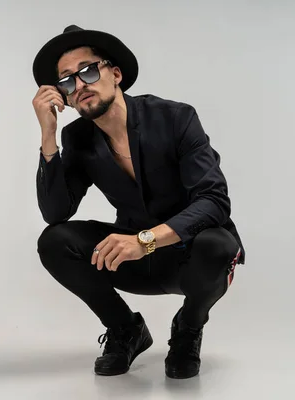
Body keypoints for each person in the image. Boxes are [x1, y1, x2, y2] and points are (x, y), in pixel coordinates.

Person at [31, 25, 246, 379]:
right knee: (55, 241)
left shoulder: (175, 118)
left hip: (189, 256)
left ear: (115, 74)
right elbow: (56, 212)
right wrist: (48, 137)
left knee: (219, 245)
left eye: (88, 70)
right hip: (134, 261)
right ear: (64, 97)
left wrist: (144, 241)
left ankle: (188, 329)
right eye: (67, 81)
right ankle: (126, 330)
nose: (80, 84)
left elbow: (214, 202)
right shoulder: (78, 138)